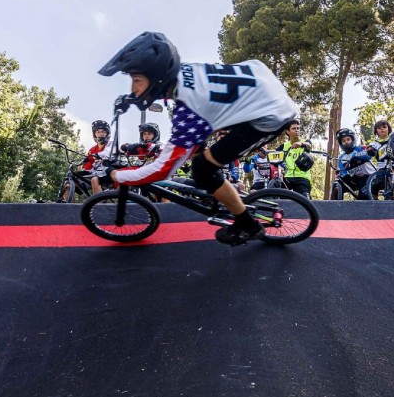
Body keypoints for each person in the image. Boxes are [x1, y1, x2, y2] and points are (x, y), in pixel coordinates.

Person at [100, 31, 298, 245]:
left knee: (203, 169)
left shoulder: (189, 108)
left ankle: (247, 223)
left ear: (157, 75)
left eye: (136, 80)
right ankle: (217, 189)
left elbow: (162, 169)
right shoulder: (181, 73)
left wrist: (119, 176)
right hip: (258, 87)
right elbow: (156, 91)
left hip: (269, 116)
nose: (133, 88)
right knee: (198, 149)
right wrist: (129, 100)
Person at [275, 119, 314, 199]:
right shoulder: (284, 146)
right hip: (288, 178)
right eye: (293, 128)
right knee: (281, 196)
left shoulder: (305, 142)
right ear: (288, 132)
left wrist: (301, 144)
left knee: (304, 198)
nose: (296, 130)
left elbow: (309, 145)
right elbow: (273, 154)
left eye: (298, 128)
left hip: (302, 178)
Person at [335, 128, 374, 199]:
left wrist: (356, 157)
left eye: (348, 139)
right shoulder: (341, 157)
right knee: (337, 186)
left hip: (368, 176)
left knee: (363, 197)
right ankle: (336, 206)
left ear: (353, 139)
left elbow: (368, 156)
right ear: (340, 143)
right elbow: (342, 171)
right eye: (343, 141)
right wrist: (345, 175)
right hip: (354, 179)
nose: (346, 142)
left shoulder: (361, 148)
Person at [83, 120, 113, 194]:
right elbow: (87, 167)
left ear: (107, 133)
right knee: (69, 184)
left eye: (103, 131)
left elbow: (107, 154)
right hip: (93, 174)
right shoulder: (91, 150)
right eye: (98, 132)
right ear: (94, 134)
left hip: (108, 175)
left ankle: (99, 205)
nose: (100, 134)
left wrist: (95, 156)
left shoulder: (111, 145)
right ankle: (69, 205)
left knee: (94, 180)